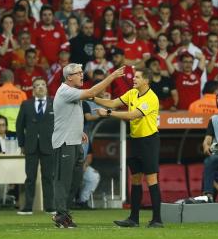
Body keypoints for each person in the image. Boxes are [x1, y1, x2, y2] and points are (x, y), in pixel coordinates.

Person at [51, 63, 125, 228]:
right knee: (63, 181)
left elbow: (70, 115)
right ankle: (61, 215)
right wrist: (111, 77)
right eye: (78, 73)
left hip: (75, 141)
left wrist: (79, 131)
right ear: (69, 77)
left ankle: (65, 213)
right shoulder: (65, 91)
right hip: (64, 143)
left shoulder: (73, 92)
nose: (82, 75)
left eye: (82, 73)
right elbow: (92, 92)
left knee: (75, 180)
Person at [93, 68, 163, 228]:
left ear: (146, 80)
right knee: (136, 178)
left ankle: (157, 219)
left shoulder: (151, 98)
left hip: (149, 141)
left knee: (151, 179)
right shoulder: (132, 93)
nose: (134, 79)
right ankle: (134, 219)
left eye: (137, 77)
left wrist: (108, 114)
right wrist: (93, 97)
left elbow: (132, 115)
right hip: (135, 140)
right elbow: (113, 103)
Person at [16, 77, 55, 215]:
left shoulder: (54, 103)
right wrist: (21, 144)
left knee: (48, 177)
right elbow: (19, 126)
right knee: (30, 177)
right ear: (33, 90)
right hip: (30, 146)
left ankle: (50, 206)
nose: (40, 87)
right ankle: (27, 207)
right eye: (37, 85)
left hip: (49, 146)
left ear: (46, 88)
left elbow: (59, 125)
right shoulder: (26, 104)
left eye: (43, 85)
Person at [0, 69, 27, 138]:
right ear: (13, 79)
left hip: (1, 130)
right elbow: (26, 116)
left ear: (1, 80)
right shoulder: (22, 94)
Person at [76, 141, 100, 209]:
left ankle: (83, 201)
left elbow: (89, 156)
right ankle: (69, 202)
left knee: (94, 176)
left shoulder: (85, 139)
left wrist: (85, 165)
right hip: (67, 167)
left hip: (81, 166)